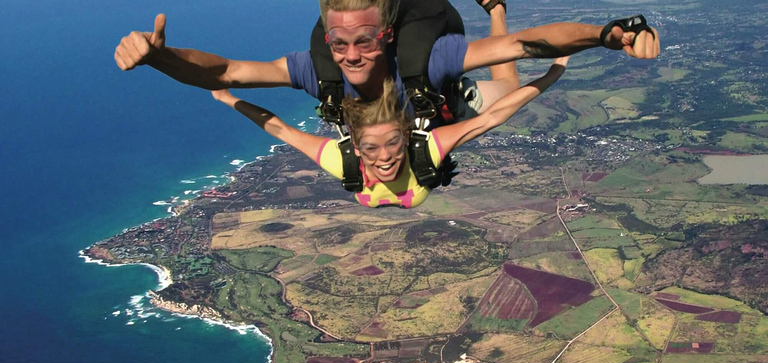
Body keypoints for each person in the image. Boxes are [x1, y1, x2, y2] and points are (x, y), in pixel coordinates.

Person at [114, 0, 658, 120]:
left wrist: (605, 34)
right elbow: (228, 71)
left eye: (366, 42)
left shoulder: (429, 57)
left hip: (445, 103)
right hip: (403, 122)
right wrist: (162, 60)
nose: (350, 56)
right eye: (339, 43)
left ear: (389, 36)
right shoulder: (318, 67)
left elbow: (529, 44)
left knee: (506, 91)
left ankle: (495, 7)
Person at [210, 57, 569, 209]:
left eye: (391, 149)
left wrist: (550, 77)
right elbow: (279, 129)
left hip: (427, 118)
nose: (383, 161)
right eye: (372, 152)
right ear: (361, 149)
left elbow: (281, 130)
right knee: (505, 90)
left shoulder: (348, 162)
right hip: (421, 123)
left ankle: (496, 9)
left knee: (507, 85)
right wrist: (227, 99)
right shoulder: (420, 155)